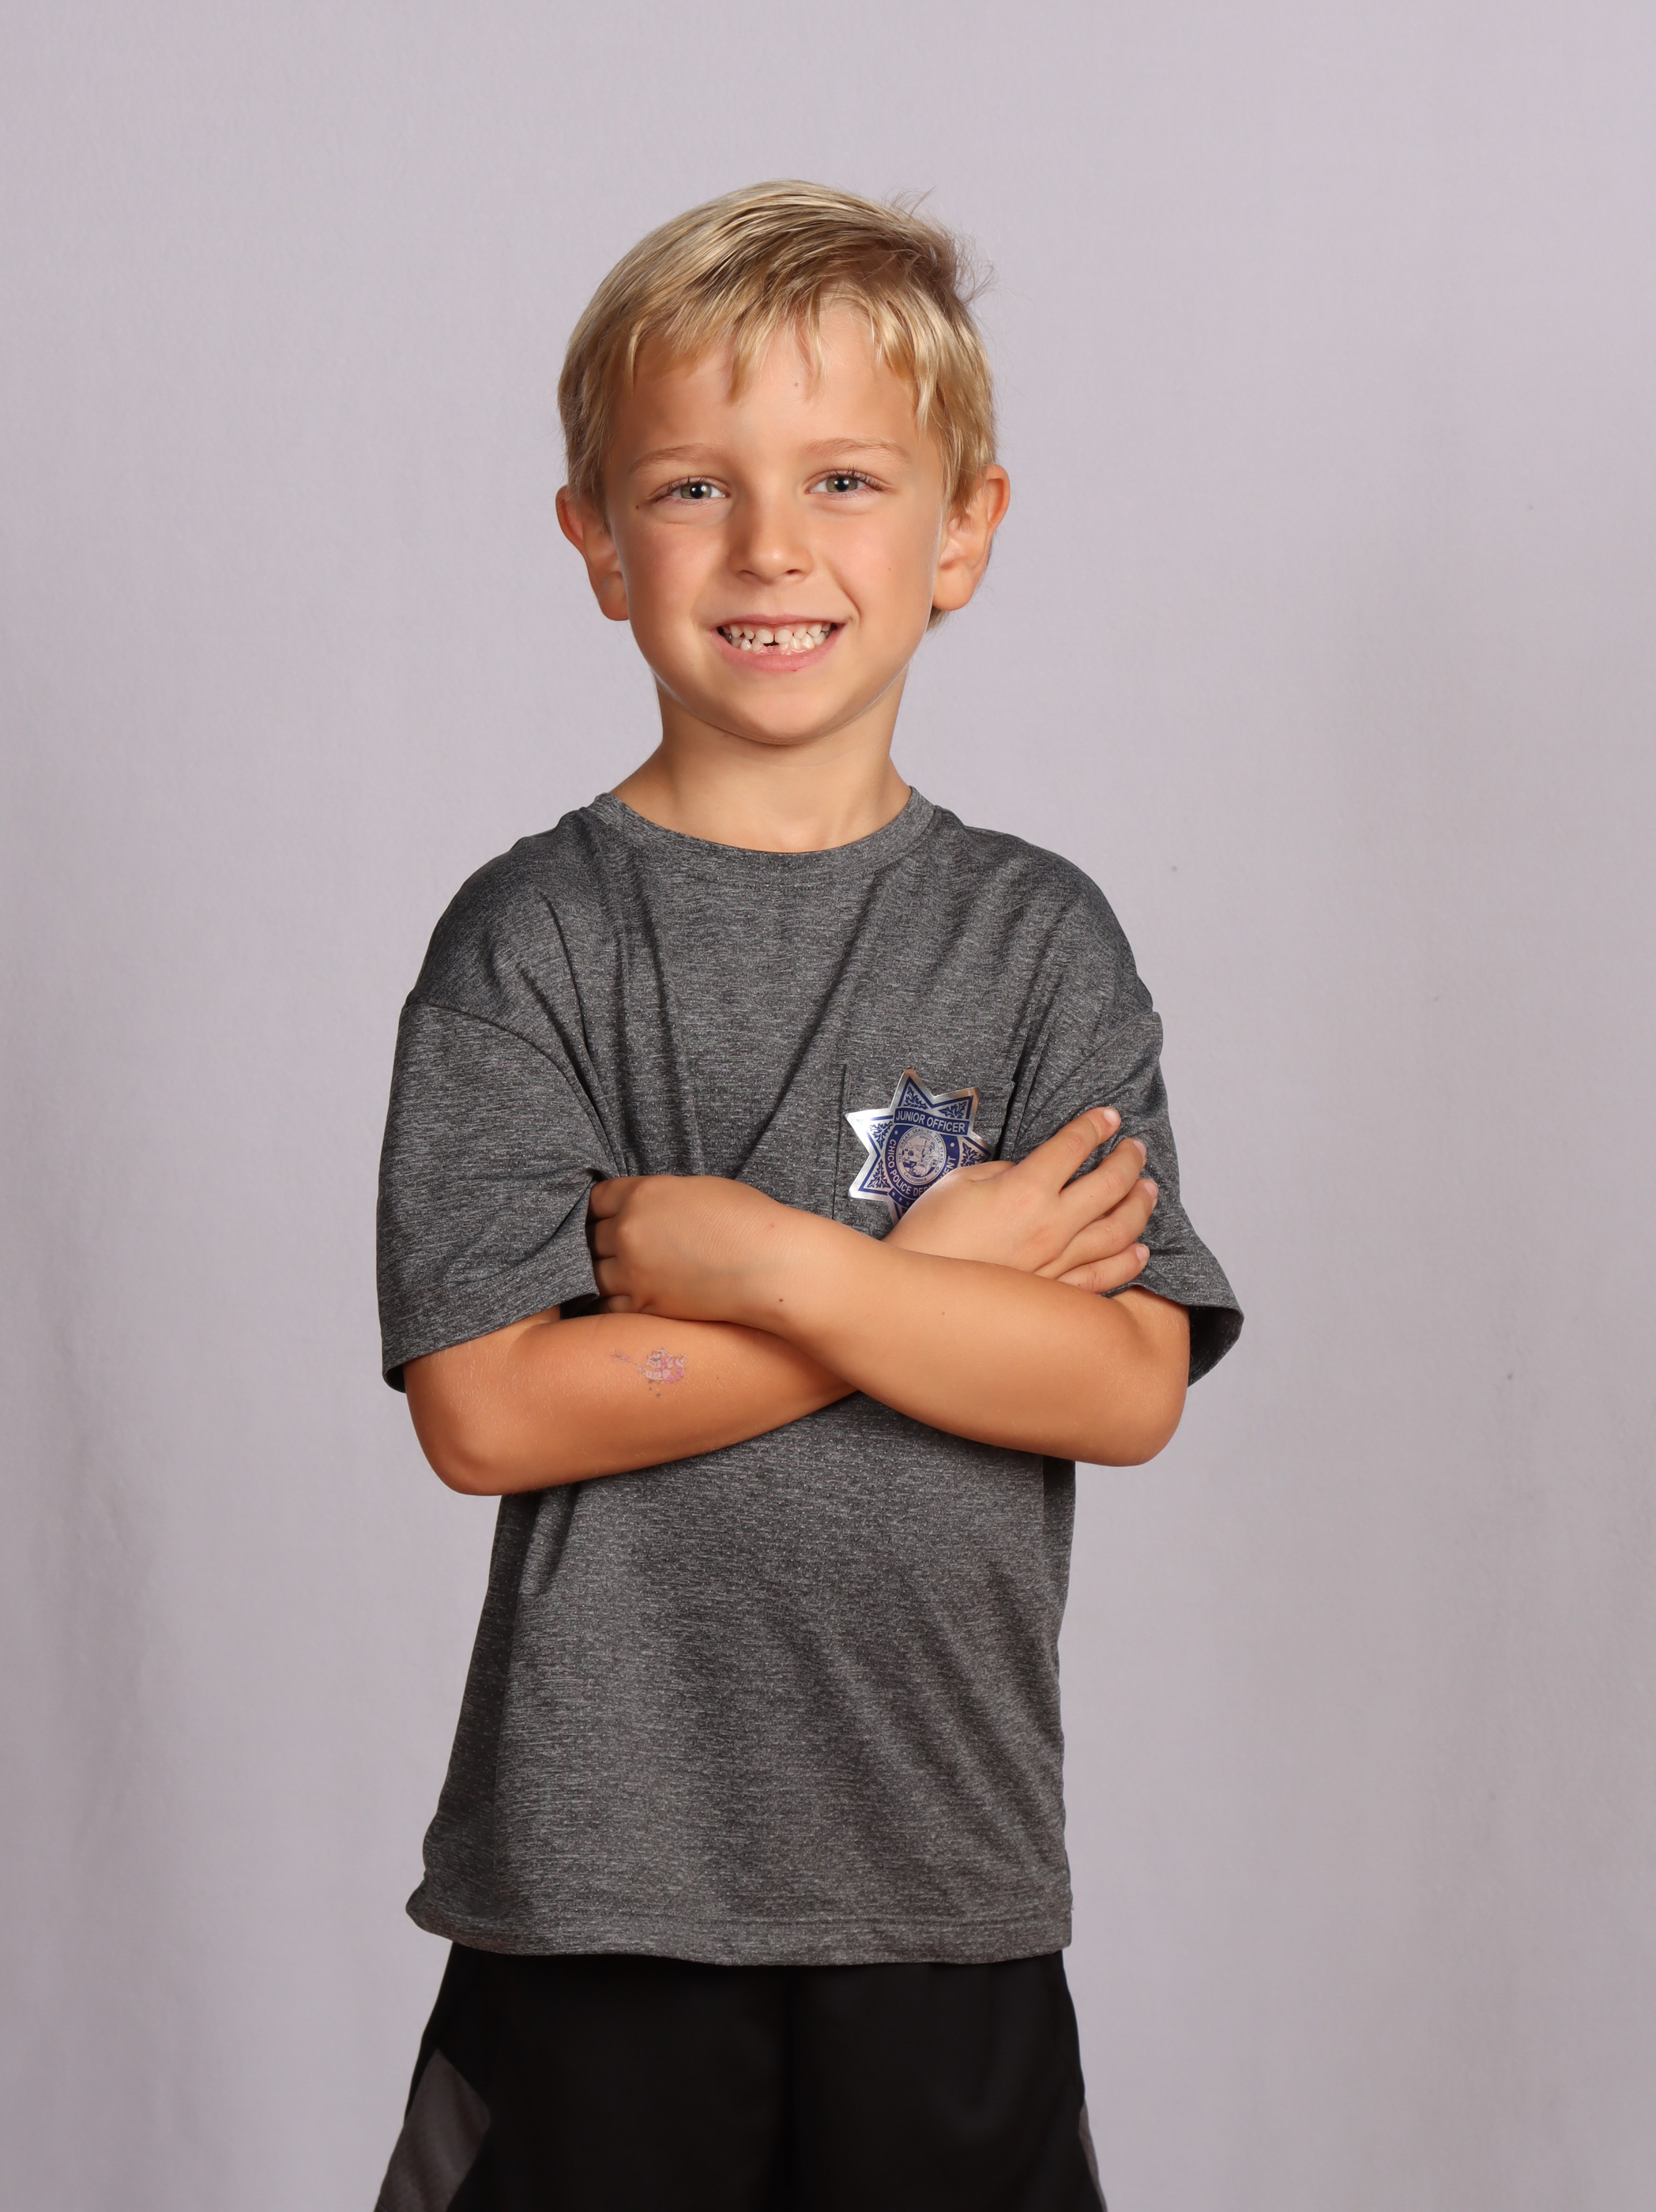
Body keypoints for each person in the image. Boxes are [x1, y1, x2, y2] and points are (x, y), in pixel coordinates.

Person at [371, 180, 1240, 2212]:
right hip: (598, 1889)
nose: (770, 544)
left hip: (943, 1872)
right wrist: (927, 1287)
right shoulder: (530, 940)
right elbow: (488, 1407)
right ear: (599, 541)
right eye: (693, 486)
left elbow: (1122, 1382)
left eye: (844, 478)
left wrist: (777, 1262)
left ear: (963, 532)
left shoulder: (1034, 939)